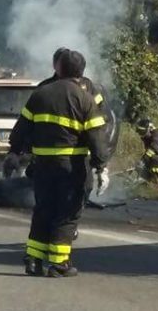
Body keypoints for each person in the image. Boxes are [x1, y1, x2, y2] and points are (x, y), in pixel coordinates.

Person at [9, 49, 112, 278]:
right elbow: (97, 136)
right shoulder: (84, 98)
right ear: (81, 71)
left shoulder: (41, 94)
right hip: (72, 167)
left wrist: (14, 153)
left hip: (43, 165)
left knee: (43, 210)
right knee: (67, 213)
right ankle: (59, 264)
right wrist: (101, 167)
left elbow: (21, 130)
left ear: (58, 67)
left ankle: (34, 261)